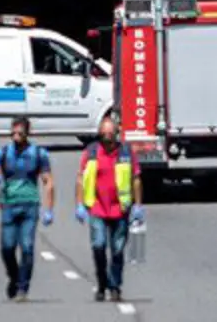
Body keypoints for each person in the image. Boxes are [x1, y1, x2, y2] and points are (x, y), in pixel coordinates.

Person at [74, 116, 143, 303]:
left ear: (116, 135)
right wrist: (79, 203)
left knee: (118, 250)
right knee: (98, 245)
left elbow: (136, 179)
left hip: (120, 209)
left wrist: (138, 206)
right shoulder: (91, 152)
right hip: (97, 208)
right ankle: (102, 282)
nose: (107, 140)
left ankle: (115, 286)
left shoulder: (126, 153)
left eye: (110, 136)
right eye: (103, 136)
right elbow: (80, 179)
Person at [0, 116, 54, 302]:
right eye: (13, 133)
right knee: (7, 247)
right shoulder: (2, 153)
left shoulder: (38, 153)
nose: (16, 137)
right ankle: (14, 276)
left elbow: (48, 181)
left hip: (30, 205)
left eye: (20, 133)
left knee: (27, 247)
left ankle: (23, 288)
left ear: (27, 133)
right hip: (8, 204)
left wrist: (49, 209)